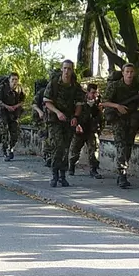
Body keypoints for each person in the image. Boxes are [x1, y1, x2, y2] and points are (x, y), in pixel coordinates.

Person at [102, 63, 139, 188]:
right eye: (127, 72)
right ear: (123, 73)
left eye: (132, 72)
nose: (129, 74)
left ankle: (123, 172)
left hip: (131, 119)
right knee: (121, 144)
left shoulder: (137, 86)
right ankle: (122, 174)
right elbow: (104, 102)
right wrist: (117, 106)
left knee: (128, 145)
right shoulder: (115, 86)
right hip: (117, 118)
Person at [43, 60, 83, 188]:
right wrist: (57, 112)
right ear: (62, 69)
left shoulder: (75, 86)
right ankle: (54, 174)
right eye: (65, 68)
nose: (67, 71)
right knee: (58, 146)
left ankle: (62, 175)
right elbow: (47, 101)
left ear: (72, 70)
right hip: (54, 120)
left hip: (68, 120)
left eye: (69, 69)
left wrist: (76, 117)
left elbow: (79, 104)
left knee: (66, 148)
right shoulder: (54, 84)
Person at [68, 83, 104, 178]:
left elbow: (100, 117)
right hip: (81, 128)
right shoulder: (81, 101)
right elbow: (74, 114)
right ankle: (71, 166)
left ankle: (93, 169)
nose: (94, 95)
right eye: (92, 92)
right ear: (88, 92)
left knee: (94, 150)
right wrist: (76, 126)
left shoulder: (98, 102)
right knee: (75, 150)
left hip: (92, 129)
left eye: (96, 92)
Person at [0, 72, 25, 161]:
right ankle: (5, 151)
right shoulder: (3, 88)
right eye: (12, 79)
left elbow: (22, 100)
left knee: (15, 133)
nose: (14, 81)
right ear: (9, 80)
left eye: (16, 79)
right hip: (3, 113)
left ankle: (11, 149)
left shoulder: (20, 89)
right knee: (4, 132)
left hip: (14, 113)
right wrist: (7, 106)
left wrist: (16, 106)